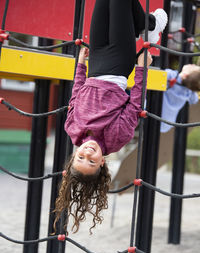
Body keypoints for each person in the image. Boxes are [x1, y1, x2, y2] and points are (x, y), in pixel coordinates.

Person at [54, 0, 168, 234]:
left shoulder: (72, 129)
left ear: (74, 155)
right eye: (92, 161)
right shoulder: (116, 138)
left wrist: (81, 66)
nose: (87, 155)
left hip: (96, 64)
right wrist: (141, 69)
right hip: (118, 63)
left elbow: (76, 95)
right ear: (102, 162)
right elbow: (135, 104)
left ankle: (148, 24)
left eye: (81, 159)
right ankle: (148, 25)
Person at [161, 64, 200, 132]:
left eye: (193, 67)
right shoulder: (189, 91)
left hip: (155, 114)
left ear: (185, 75)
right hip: (165, 125)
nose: (193, 64)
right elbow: (194, 99)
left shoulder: (171, 75)